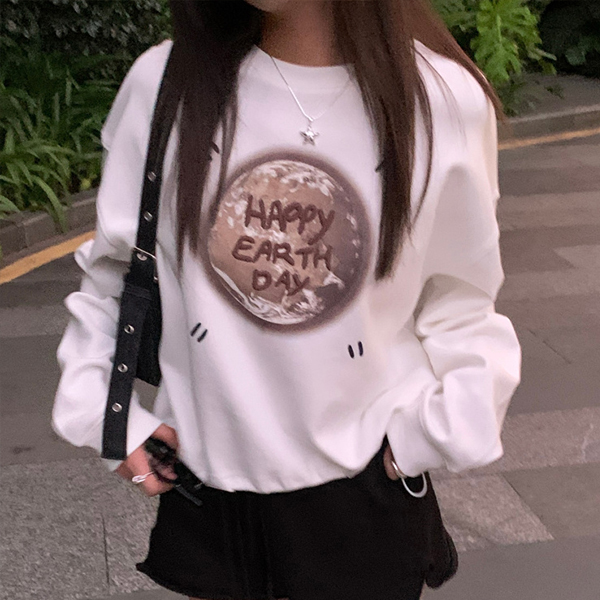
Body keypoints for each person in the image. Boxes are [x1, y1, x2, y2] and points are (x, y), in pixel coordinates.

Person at [52, 1, 521, 599]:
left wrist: (437, 430)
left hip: (364, 494)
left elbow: (461, 296)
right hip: (209, 498)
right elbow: (118, 269)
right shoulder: (166, 84)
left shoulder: (442, 101)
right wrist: (104, 409)